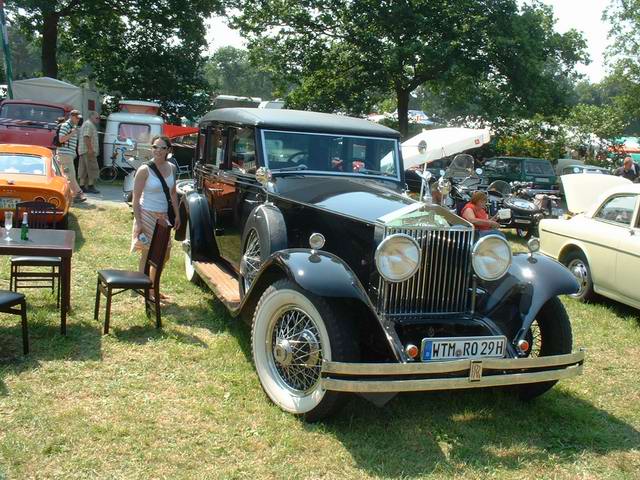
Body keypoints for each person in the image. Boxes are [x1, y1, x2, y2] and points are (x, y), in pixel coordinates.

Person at [131, 135, 181, 300]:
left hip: (163, 216)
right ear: (151, 148)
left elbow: (173, 193)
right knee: (146, 254)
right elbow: (135, 199)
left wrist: (178, 215)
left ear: (168, 150)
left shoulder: (172, 168)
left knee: (164, 254)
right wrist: (138, 223)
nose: (158, 151)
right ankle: (143, 290)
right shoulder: (144, 170)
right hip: (146, 214)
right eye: (155, 147)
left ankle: (152, 286)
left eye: (162, 148)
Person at [56, 110, 86, 203]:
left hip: (67, 155)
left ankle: (69, 195)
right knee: (71, 175)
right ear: (72, 116)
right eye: (77, 118)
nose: (78, 120)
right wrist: (72, 133)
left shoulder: (72, 126)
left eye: (79, 118)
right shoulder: (65, 126)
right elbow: (61, 140)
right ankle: (78, 193)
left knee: (65, 175)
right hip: (65, 154)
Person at [78, 111, 101, 194]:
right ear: (91, 116)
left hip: (83, 151)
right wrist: (90, 149)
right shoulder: (89, 124)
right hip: (88, 151)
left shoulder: (86, 124)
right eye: (97, 118)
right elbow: (86, 137)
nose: (98, 120)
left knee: (83, 169)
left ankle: (82, 186)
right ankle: (91, 186)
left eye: (99, 118)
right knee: (93, 168)